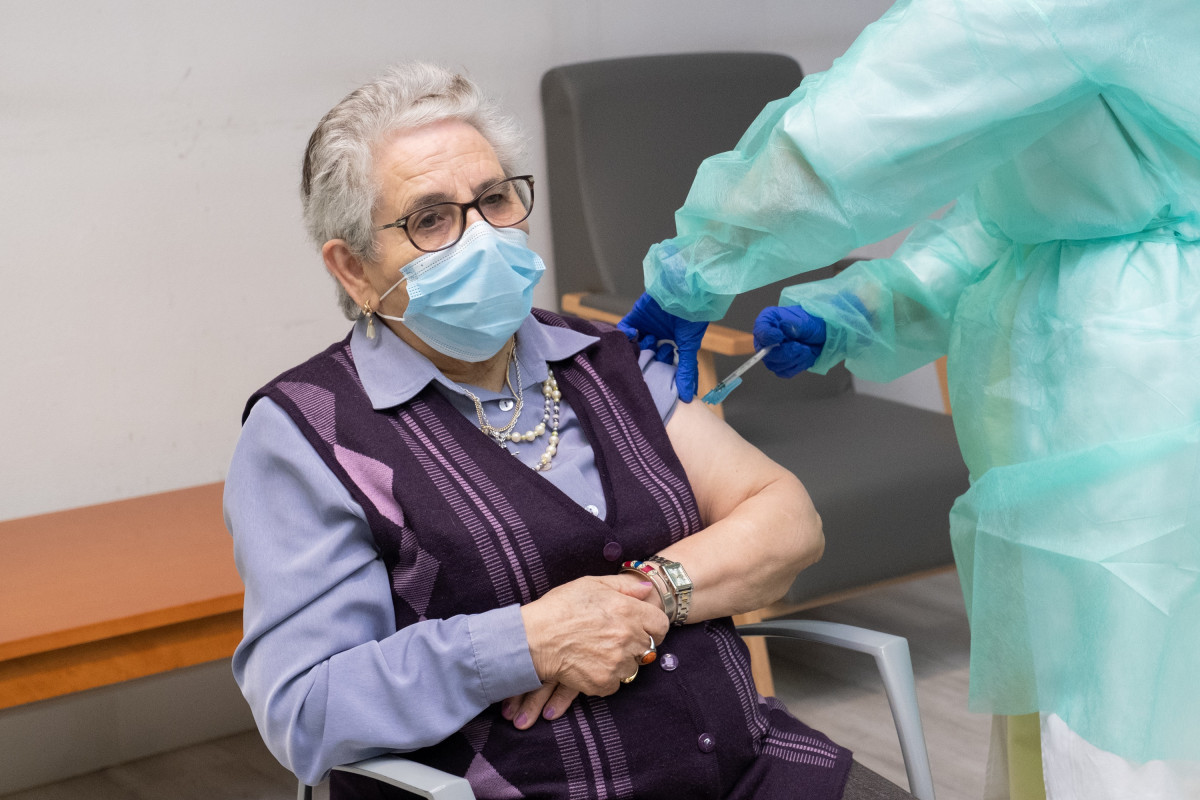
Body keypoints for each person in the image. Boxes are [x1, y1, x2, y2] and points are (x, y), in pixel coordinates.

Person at [224, 62, 913, 800]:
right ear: (355, 270)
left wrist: (648, 595)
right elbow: (305, 709)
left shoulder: (603, 356)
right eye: (430, 218)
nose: (481, 236)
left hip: (749, 769)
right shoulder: (309, 434)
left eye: (494, 199)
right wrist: (527, 643)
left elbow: (785, 519)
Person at [620, 0, 1200, 797]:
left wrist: (701, 264)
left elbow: (853, 134)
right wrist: (861, 310)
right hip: (1098, 411)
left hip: (1151, 411)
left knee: (1132, 721)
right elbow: (1008, 224)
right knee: (1068, 705)